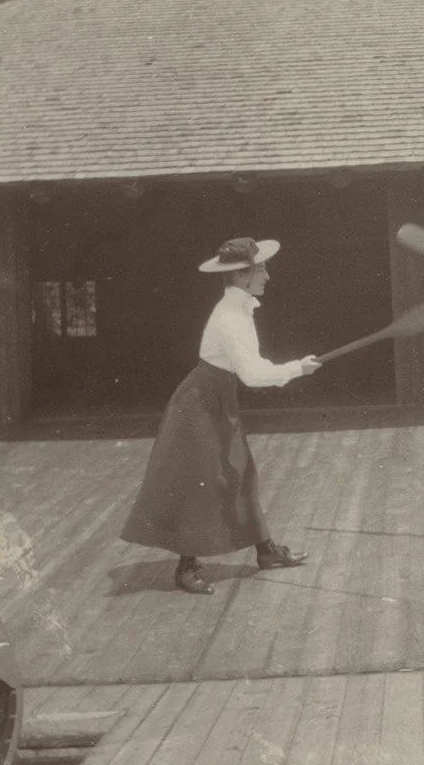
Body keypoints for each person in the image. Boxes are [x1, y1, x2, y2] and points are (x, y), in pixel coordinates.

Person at [121, 237, 322, 594]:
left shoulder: (241, 308)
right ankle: (185, 567)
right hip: (198, 404)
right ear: (242, 276)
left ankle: (266, 550)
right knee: (201, 479)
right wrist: (296, 369)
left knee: (239, 470)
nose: (268, 276)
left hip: (216, 396)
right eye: (261, 269)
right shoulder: (231, 318)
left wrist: (294, 368)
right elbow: (253, 375)